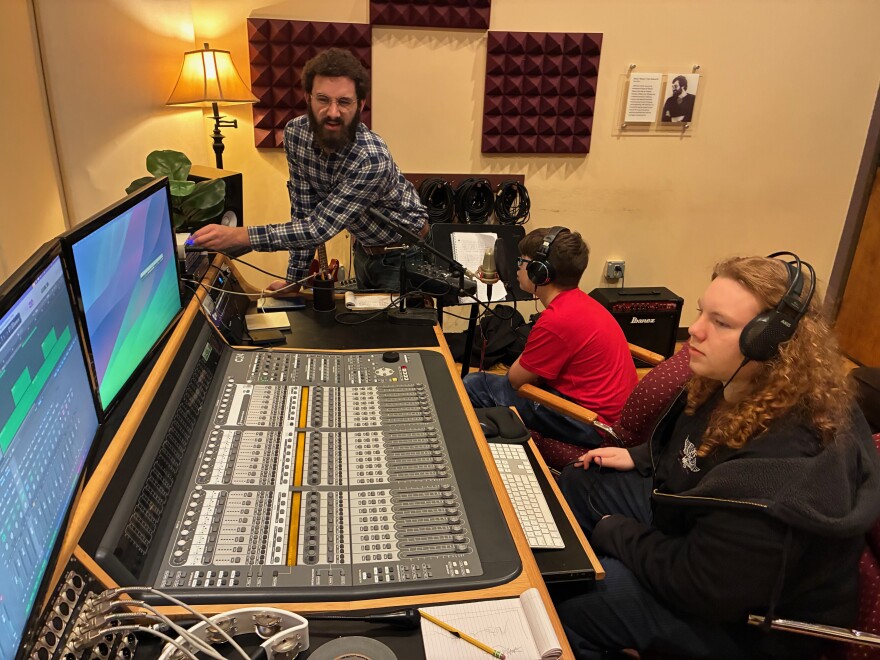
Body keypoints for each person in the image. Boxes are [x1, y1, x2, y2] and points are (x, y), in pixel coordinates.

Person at [557, 254, 880, 659]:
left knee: (578, 604)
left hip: (744, 623)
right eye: (701, 313)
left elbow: (698, 583)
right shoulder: (735, 380)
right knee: (579, 482)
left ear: (768, 342)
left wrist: (613, 532)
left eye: (721, 323)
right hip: (705, 536)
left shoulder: (776, 479)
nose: (695, 330)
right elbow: (695, 448)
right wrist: (645, 457)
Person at [189, 48, 428, 294]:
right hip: (365, 251)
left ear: (360, 105)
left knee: (394, 333)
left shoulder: (371, 158)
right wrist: (296, 281)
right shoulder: (295, 135)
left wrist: (241, 236)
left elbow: (318, 227)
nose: (333, 112)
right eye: (323, 99)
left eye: (344, 102)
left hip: (405, 255)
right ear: (308, 98)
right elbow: (303, 214)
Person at [463, 227, 637, 448]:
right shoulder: (582, 302)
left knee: (474, 384)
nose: (518, 267)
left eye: (522, 261)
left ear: (539, 272)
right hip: (607, 416)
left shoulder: (557, 320)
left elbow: (516, 380)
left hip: (592, 425)